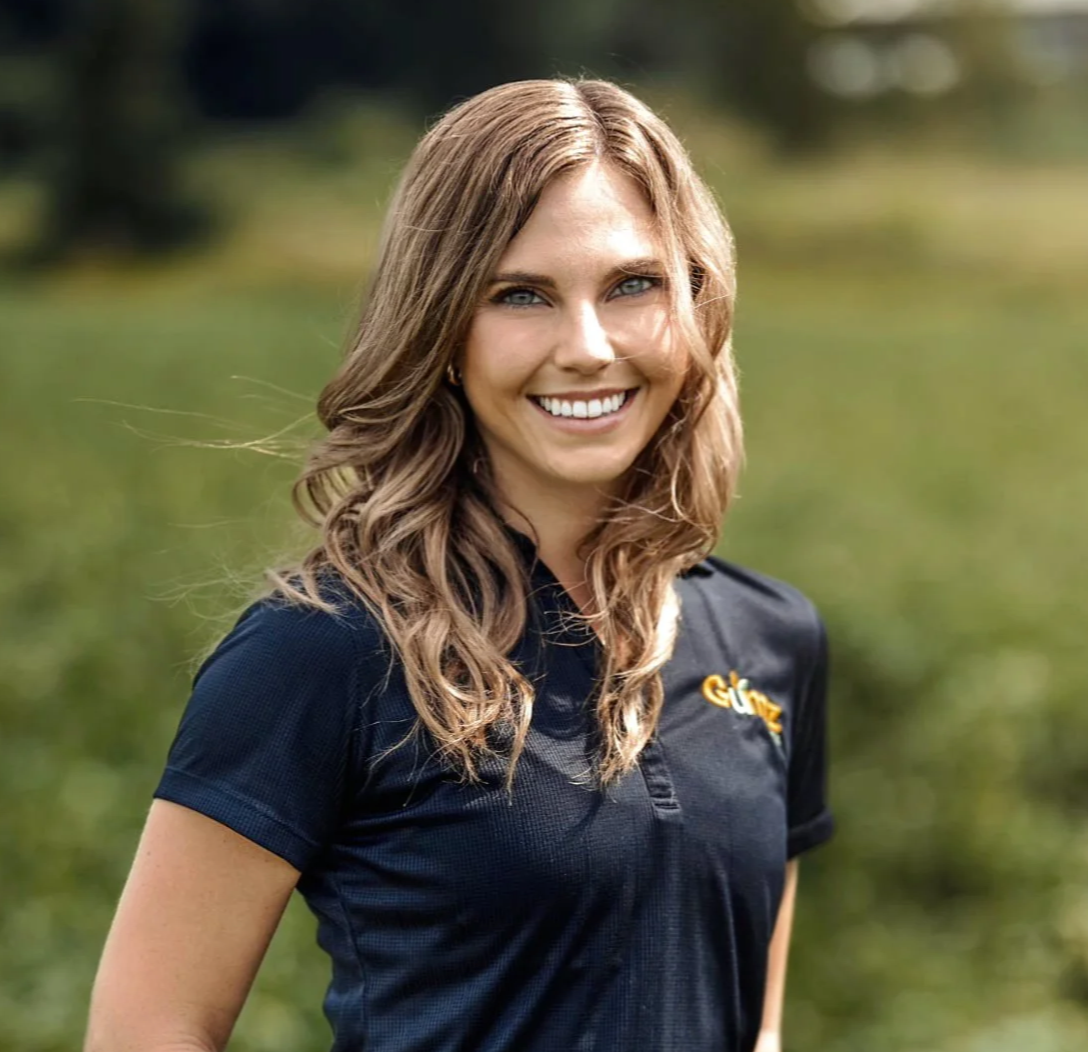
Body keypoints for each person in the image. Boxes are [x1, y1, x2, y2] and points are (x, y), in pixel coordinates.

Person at [84, 78, 833, 1052]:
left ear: (697, 303)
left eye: (632, 284)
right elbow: (148, 1028)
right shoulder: (320, 649)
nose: (587, 346)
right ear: (441, 326)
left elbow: (752, 1027)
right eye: (520, 294)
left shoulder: (771, 638)